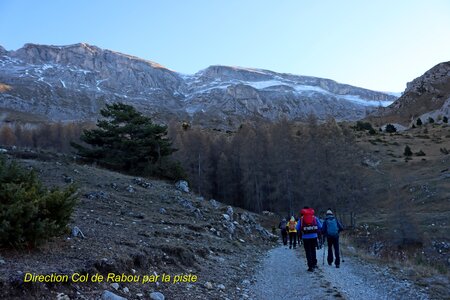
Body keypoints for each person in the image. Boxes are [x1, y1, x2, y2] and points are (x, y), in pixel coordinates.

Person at [297, 207, 322, 272]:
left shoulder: (301, 219)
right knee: (313, 250)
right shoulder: (314, 218)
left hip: (305, 237)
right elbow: (320, 226)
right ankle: (314, 264)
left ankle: (310, 267)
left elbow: (297, 228)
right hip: (314, 236)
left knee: (308, 251)